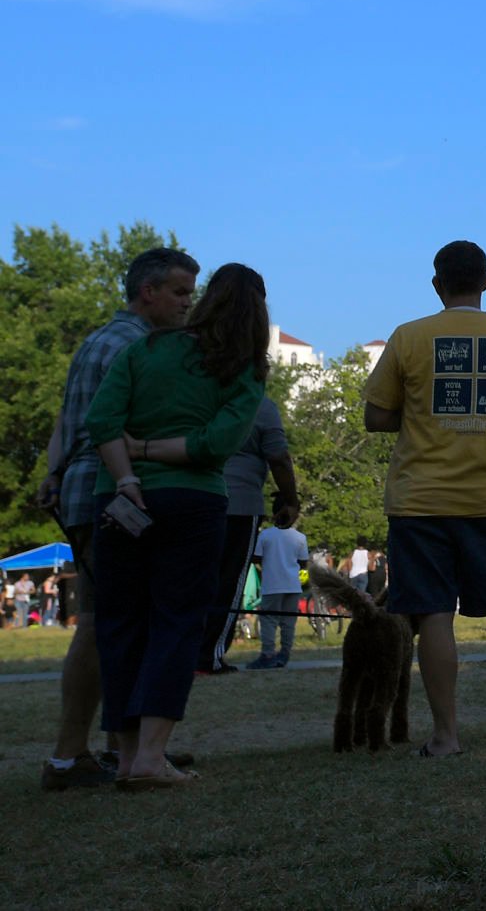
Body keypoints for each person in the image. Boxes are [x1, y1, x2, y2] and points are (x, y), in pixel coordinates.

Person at [363, 240, 486, 755]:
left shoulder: (408, 337)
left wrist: (427, 415)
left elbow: (375, 416)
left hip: (418, 502)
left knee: (432, 616)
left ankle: (446, 736)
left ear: (436, 284)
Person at [84, 262, 269, 788]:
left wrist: (127, 474)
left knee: (119, 625)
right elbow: (215, 445)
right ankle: (149, 756)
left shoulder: (145, 349)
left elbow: (101, 421)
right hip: (193, 502)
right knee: (177, 623)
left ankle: (121, 757)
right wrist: (155, 452)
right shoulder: (245, 369)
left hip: (119, 502)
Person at [36, 246, 198, 791]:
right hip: (111, 492)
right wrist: (131, 481)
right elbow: (113, 427)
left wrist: (54, 476)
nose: (187, 304)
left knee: (115, 621)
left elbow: (67, 419)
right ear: (148, 291)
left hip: (83, 488)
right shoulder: (136, 346)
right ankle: (69, 755)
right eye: (179, 292)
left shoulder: (97, 340)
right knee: (105, 623)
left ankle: (118, 745)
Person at [200, 394, 297, 675]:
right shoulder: (260, 405)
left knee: (192, 579)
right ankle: (209, 656)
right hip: (240, 504)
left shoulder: (197, 396)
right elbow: (278, 456)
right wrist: (291, 499)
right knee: (228, 582)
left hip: (195, 497)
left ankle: (181, 651)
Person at [246, 502, 310, 669]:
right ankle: (284, 654)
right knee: (288, 622)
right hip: (293, 585)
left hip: (272, 584)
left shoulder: (266, 535)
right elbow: (303, 562)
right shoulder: (300, 537)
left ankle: (268, 654)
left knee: (268, 620)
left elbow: (256, 558)